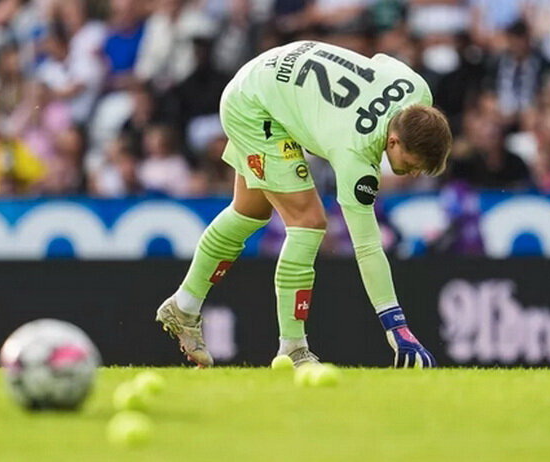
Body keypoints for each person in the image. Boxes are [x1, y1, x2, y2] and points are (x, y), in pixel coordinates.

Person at [156, 40, 452, 368]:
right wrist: (396, 327)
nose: (413, 173)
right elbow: (367, 247)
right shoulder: (355, 155)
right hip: (255, 106)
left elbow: (380, 59)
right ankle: (293, 349)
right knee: (308, 221)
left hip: (271, 74)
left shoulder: (416, 88)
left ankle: (184, 305)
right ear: (393, 141)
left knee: (250, 211)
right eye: (411, 163)